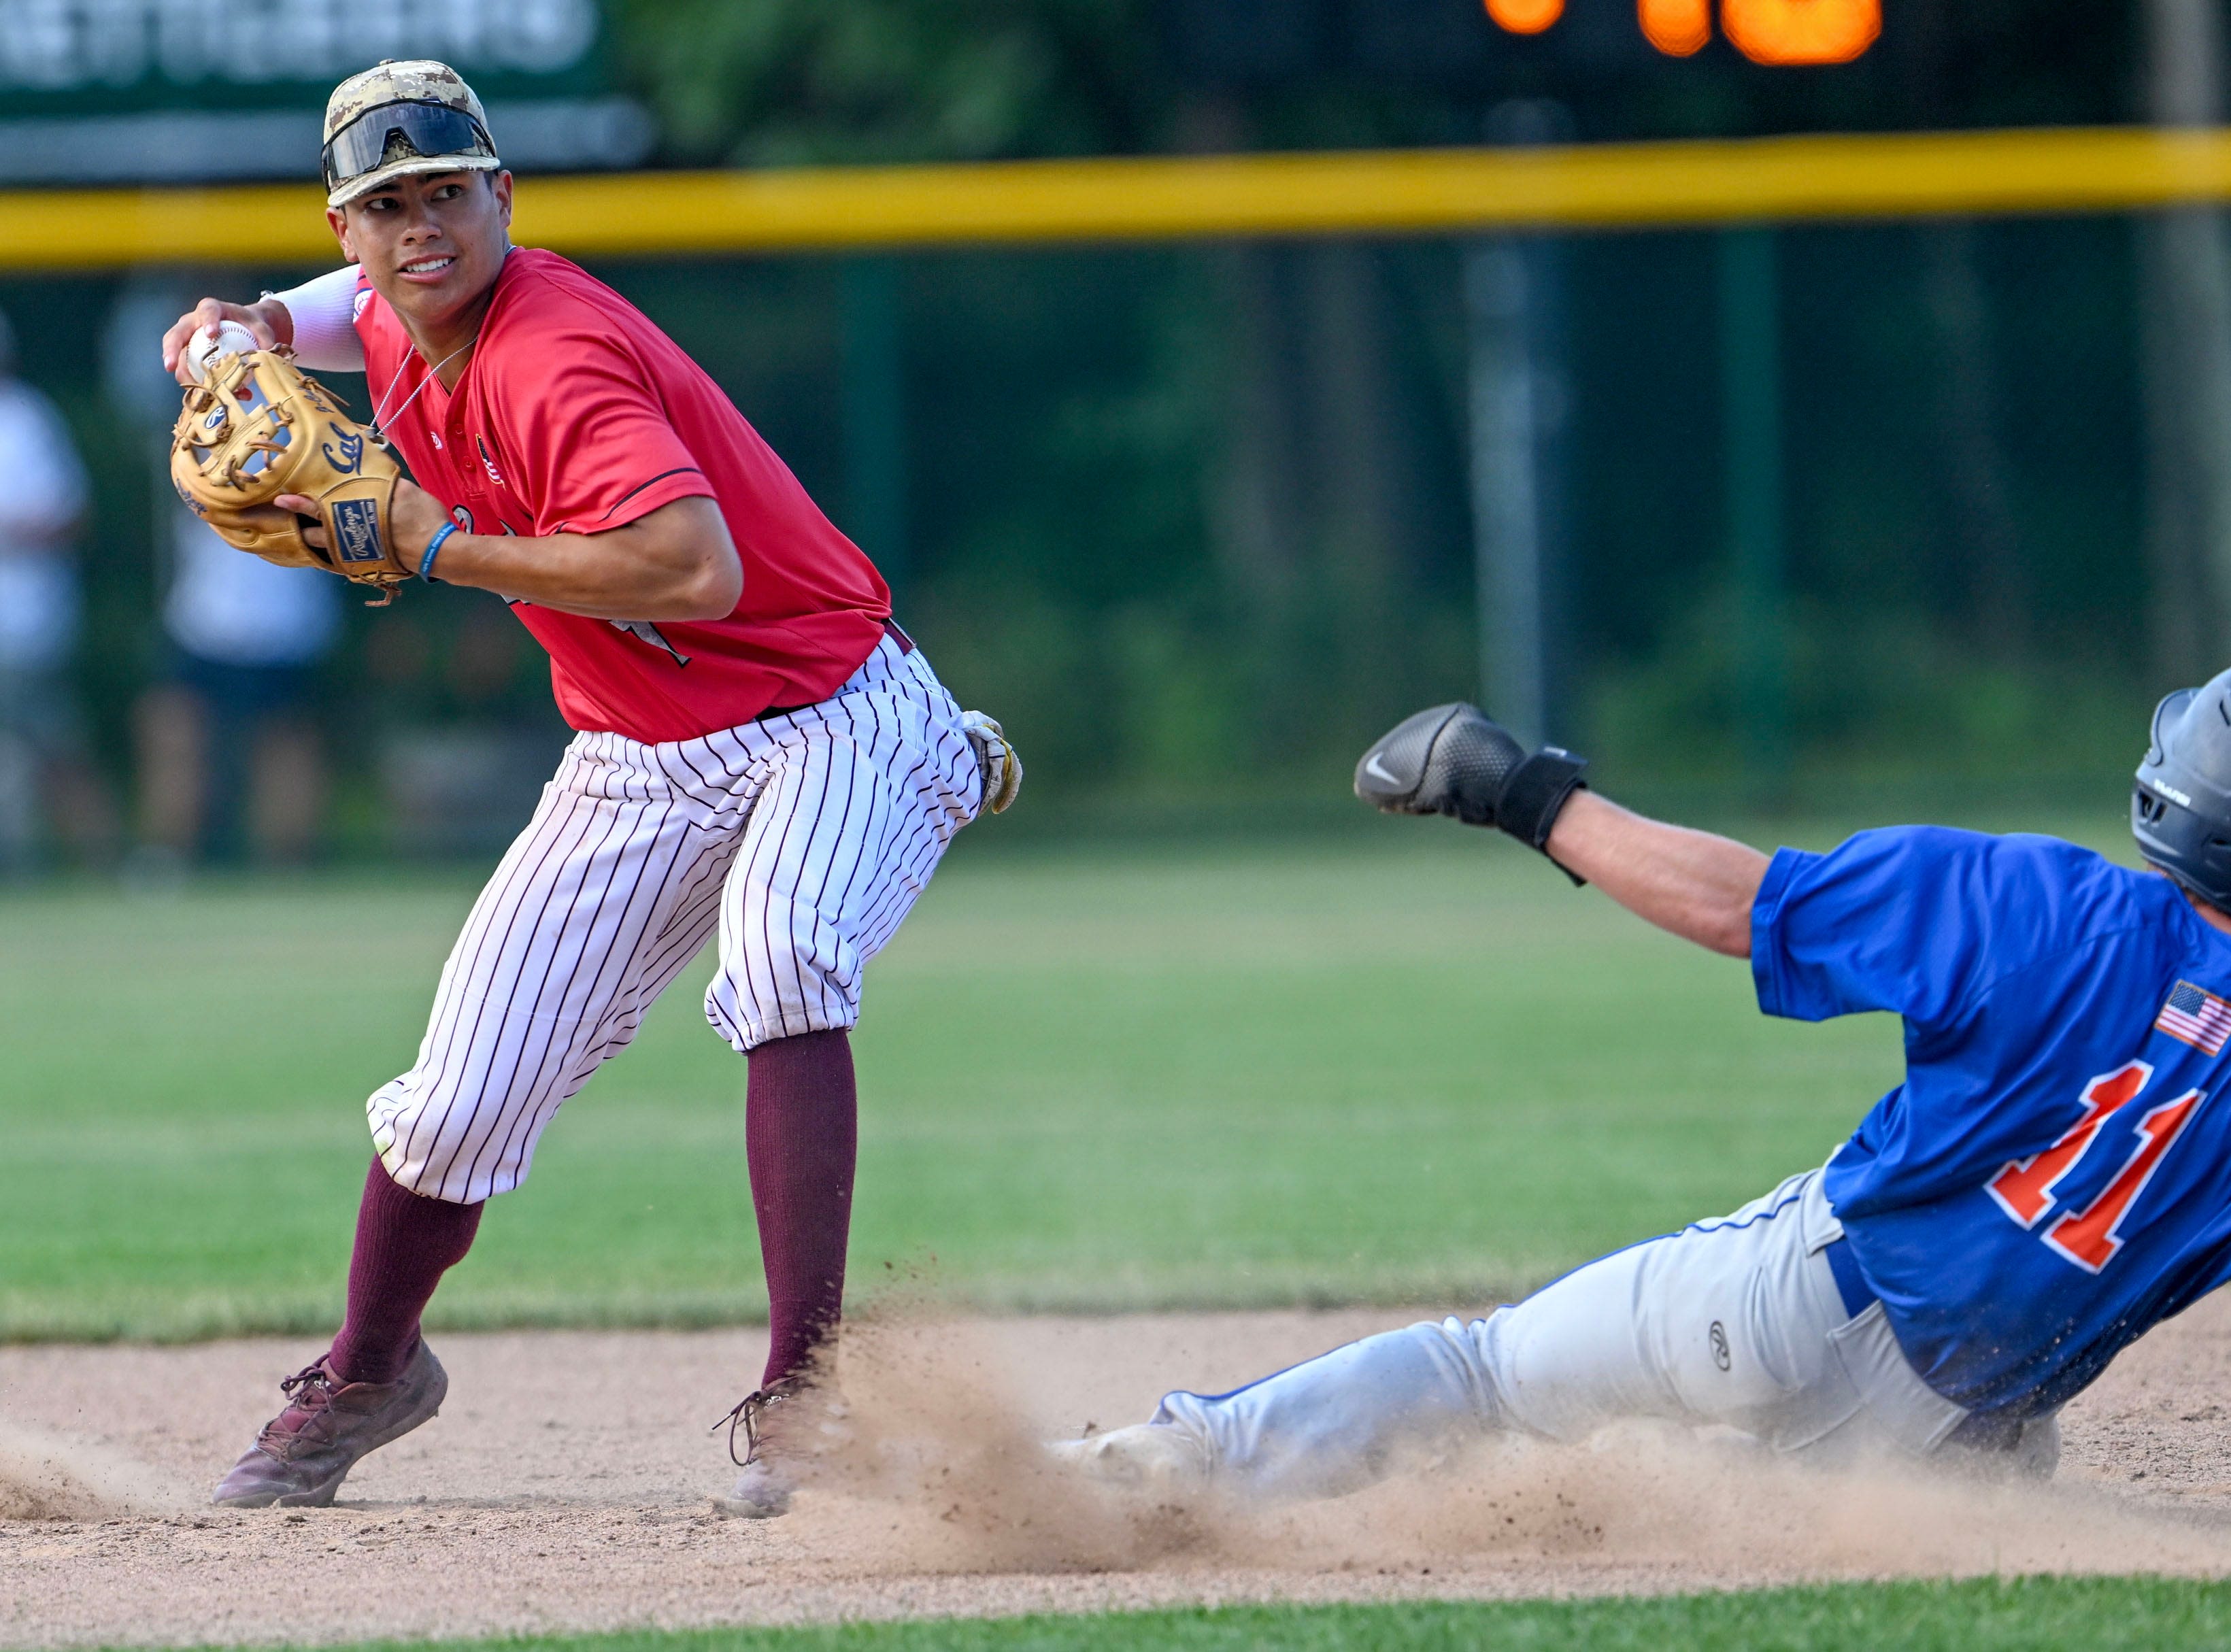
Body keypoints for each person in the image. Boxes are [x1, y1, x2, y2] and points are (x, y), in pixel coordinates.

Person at [161, 60, 1018, 1516]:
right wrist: (258, 321)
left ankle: (806, 1390)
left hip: (825, 705)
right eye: (386, 206)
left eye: (447, 194)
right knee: (448, 1104)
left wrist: (436, 544)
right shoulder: (384, 298)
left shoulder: (550, 352)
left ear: (503, 196)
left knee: (784, 955)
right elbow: (349, 305)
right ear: (347, 223)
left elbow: (697, 570)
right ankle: (370, 1367)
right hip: (634, 746)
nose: (420, 227)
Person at [1057, 689, 2231, 1502]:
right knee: (2010, 1456)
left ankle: (1179, 1462)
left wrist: (1521, 791)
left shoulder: (2048, 901)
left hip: (1791, 1306)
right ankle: (1718, 1492)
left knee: (1484, 1372)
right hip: (1946, 1435)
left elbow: (1743, 907)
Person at [136, 511, 342, 866]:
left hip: (285, 624)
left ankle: (289, 862)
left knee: (285, 748)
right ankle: (167, 857)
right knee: (177, 739)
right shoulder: (197, 455)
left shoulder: (321, 455)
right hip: (203, 619)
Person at [0, 305, 113, 873]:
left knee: (54, 747)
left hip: (25, 620)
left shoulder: (25, 419)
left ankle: (106, 864)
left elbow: (71, 517)